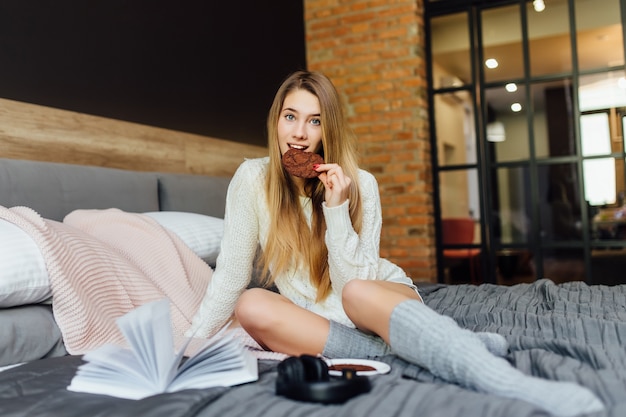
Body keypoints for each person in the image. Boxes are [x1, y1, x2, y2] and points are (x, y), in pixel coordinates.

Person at [187, 70, 603, 416]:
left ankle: (509, 381)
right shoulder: (252, 179)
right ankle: (446, 347)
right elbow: (231, 275)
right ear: (275, 120)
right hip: (321, 321)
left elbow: (357, 279)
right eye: (290, 117)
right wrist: (189, 347)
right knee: (250, 304)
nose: (298, 134)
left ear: (328, 128)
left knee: (356, 291)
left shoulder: (361, 184)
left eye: (314, 121)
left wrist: (336, 208)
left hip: (374, 298)